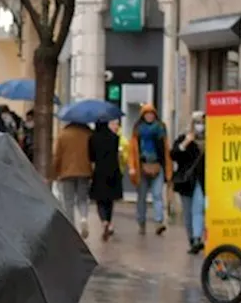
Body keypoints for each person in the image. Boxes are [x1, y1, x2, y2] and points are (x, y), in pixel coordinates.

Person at [128, 104, 172, 236]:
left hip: (157, 166)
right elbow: (132, 150)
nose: (149, 116)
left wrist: (167, 167)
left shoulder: (161, 129)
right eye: (147, 114)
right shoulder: (137, 130)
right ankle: (141, 222)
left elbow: (165, 149)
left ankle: (159, 222)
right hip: (142, 167)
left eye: (151, 113)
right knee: (141, 197)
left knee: (157, 195)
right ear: (142, 115)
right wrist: (132, 167)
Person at [52, 120, 95, 238]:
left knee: (68, 201)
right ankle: (83, 218)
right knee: (82, 199)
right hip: (84, 171)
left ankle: (72, 228)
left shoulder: (63, 134)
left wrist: (54, 172)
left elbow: (57, 156)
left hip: (66, 173)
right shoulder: (88, 134)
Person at [172, 114, 207, 254]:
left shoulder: (210, 139)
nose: (200, 125)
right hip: (186, 181)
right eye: (198, 122)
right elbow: (173, 155)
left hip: (202, 180)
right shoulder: (183, 138)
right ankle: (192, 239)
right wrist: (186, 142)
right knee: (187, 213)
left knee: (198, 209)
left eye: (203, 123)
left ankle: (198, 238)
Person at [89, 119, 125, 241]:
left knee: (100, 200)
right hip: (113, 170)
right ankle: (109, 222)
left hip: (99, 171)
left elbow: (91, 156)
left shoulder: (93, 138)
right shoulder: (114, 137)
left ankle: (104, 221)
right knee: (110, 200)